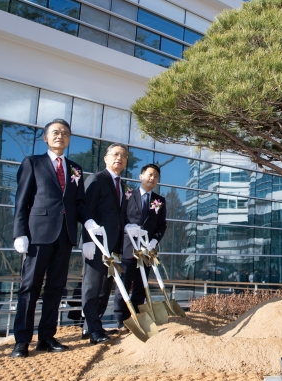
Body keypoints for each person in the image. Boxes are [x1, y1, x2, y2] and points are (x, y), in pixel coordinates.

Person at [10, 119, 98, 358]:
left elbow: (79, 203)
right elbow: (22, 201)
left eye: (65, 133)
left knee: (56, 287)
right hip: (38, 234)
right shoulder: (33, 163)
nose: (61, 136)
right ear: (46, 138)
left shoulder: (75, 169)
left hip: (65, 235)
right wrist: (20, 232)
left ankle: (47, 337)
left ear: (69, 139)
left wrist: (87, 222)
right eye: (55, 132)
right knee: (30, 287)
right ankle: (22, 340)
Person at [81, 143, 128, 344]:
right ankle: (93, 330)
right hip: (97, 244)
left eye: (123, 156)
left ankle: (92, 326)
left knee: (104, 287)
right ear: (106, 158)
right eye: (115, 154)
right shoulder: (96, 179)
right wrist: (87, 241)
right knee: (92, 287)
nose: (119, 158)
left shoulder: (123, 185)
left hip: (114, 245)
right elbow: (86, 211)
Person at [116, 164, 167, 327]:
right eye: (150, 174)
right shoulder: (128, 194)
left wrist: (153, 242)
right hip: (128, 248)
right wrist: (126, 227)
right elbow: (120, 217)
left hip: (146, 251)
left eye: (156, 176)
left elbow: (161, 225)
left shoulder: (159, 200)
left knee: (141, 286)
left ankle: (138, 320)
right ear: (141, 176)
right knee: (123, 285)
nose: (152, 178)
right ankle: (121, 321)